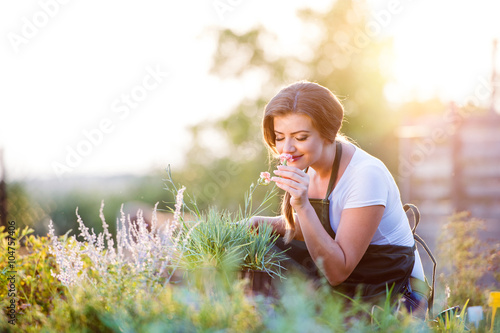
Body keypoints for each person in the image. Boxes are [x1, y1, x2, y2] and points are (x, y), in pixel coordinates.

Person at [250, 80, 429, 318]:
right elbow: (316, 228)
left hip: (392, 293)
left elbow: (337, 271)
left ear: (328, 133)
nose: (287, 148)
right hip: (351, 280)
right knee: (256, 251)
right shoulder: (308, 163)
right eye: (279, 137)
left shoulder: (365, 175)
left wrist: (301, 204)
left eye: (300, 137)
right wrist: (256, 224)